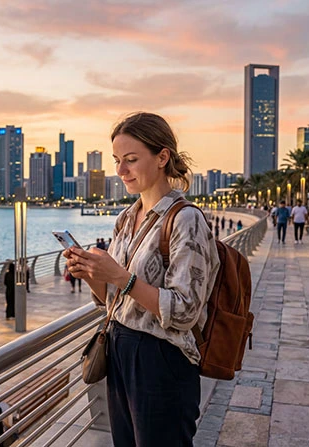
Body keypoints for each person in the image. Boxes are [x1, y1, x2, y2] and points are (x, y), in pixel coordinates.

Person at [63, 112, 220, 446]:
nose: (121, 171)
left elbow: (184, 311)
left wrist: (120, 276)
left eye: (131, 160)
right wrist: (92, 273)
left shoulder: (185, 220)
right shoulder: (126, 217)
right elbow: (113, 299)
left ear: (162, 157)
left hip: (161, 358)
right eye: (118, 161)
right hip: (120, 349)